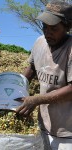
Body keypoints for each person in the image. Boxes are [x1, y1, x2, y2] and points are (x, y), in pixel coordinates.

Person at [16, 1, 72, 150]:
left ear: (67, 27)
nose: (47, 32)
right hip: (43, 128)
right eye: (44, 27)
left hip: (67, 134)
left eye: (53, 28)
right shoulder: (40, 42)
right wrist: (14, 88)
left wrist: (37, 99)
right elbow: (32, 68)